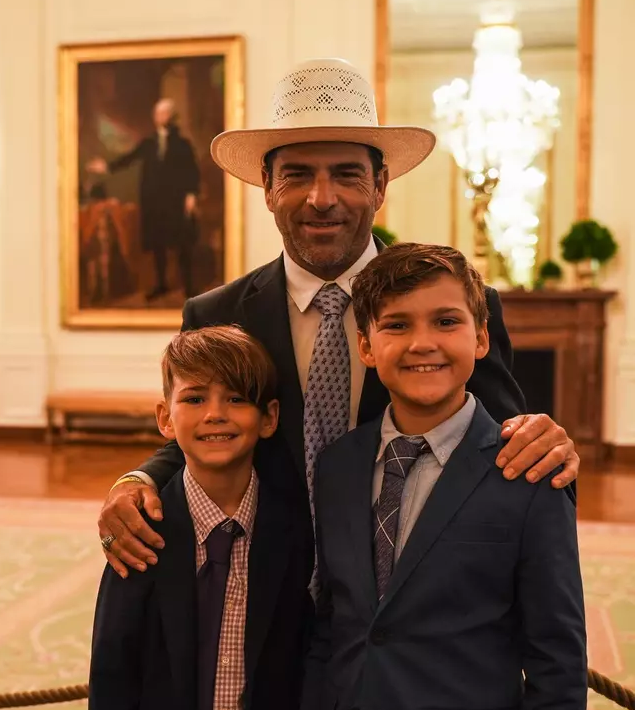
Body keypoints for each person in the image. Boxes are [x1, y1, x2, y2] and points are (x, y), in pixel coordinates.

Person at [97, 58, 578, 579]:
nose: (321, 199)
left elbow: (503, 443)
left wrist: (542, 443)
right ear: (267, 187)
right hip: (268, 586)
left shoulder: (455, 314)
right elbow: (201, 431)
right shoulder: (217, 314)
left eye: (346, 175)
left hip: (403, 586)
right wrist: (135, 480)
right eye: (297, 175)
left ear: (380, 185)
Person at [279, 243, 588, 710]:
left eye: (446, 321)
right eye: (396, 325)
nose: (422, 343)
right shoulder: (339, 467)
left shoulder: (529, 474)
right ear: (366, 346)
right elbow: (331, 636)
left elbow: (558, 677)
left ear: (481, 337)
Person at [88, 325, 317, 710]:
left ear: (269, 418)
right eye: (195, 398)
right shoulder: (139, 533)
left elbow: (311, 675)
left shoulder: (298, 532)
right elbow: (111, 687)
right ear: (166, 418)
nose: (216, 414)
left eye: (236, 398)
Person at [88, 97, 199, 301]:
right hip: (154, 201)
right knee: (158, 244)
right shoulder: (149, 142)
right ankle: (161, 285)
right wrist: (107, 166)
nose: (159, 117)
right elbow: (130, 158)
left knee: (182, 243)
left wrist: (191, 195)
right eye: (157, 113)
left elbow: (191, 170)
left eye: (163, 113)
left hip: (175, 200)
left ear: (171, 116)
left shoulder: (182, 144)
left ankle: (189, 286)